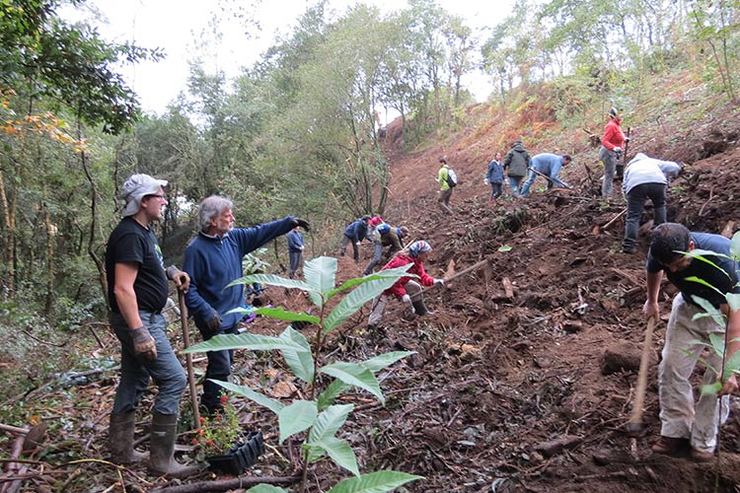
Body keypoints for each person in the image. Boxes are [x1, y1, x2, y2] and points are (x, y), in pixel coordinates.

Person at [105, 173, 200, 477]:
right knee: (174, 380)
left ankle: (121, 450)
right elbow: (122, 288)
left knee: (134, 380)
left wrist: (171, 272)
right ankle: (162, 461)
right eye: (160, 195)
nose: (165, 200)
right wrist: (139, 332)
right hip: (141, 319)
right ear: (144, 201)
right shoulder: (130, 235)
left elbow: (151, 265)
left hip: (145, 317)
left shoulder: (143, 232)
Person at [183, 196, 309, 414]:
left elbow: (261, 232)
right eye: (227, 215)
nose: (232, 217)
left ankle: (214, 401)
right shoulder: (196, 250)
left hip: (232, 315)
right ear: (212, 220)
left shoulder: (234, 239)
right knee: (221, 365)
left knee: (225, 363)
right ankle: (212, 410)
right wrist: (206, 311)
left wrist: (289, 223)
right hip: (213, 320)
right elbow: (189, 290)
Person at [644, 223, 739, 461]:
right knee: (670, 367)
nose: (674, 269)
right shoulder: (661, 249)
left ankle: (704, 439)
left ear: (691, 247)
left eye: (679, 263)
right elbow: (653, 269)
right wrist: (652, 300)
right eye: (670, 267)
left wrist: (730, 369)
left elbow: (736, 319)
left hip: (725, 314)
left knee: (716, 380)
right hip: (688, 307)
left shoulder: (722, 265)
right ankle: (675, 431)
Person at [367, 240, 444, 328]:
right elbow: (393, 281)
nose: (427, 256)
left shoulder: (416, 262)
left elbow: (422, 276)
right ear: (418, 253)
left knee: (415, 287)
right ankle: (371, 329)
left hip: (400, 281)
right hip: (382, 285)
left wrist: (434, 281)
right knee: (377, 311)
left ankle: (421, 311)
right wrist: (402, 294)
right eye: (426, 254)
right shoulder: (401, 262)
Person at [621, 153, 682, 254]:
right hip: (658, 182)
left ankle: (629, 246)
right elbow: (674, 167)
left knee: (633, 216)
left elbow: (624, 186)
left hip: (635, 185)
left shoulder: (629, 167)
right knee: (660, 206)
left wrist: (630, 199)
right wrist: (676, 173)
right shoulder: (653, 162)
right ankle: (661, 238)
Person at [599, 107, 627, 198]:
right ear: (613, 116)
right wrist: (614, 148)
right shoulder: (611, 125)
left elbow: (619, 136)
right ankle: (607, 196)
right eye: (619, 115)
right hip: (608, 153)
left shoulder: (617, 125)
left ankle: (610, 193)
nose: (620, 117)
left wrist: (624, 139)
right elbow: (604, 141)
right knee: (609, 175)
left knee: (613, 172)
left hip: (615, 153)